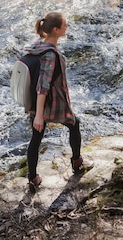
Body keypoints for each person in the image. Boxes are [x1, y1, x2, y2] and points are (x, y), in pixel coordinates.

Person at [25, 12, 93, 191]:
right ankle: (77, 163)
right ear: (56, 30)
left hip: (33, 101)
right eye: (65, 25)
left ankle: (32, 178)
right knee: (74, 123)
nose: (67, 27)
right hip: (50, 101)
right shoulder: (50, 55)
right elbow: (43, 86)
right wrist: (39, 115)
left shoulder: (37, 45)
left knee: (36, 137)